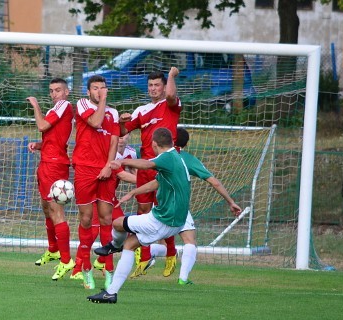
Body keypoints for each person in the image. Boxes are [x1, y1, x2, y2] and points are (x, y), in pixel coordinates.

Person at [88, 127, 191, 304]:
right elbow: (156, 183)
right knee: (130, 244)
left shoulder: (166, 157)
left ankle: (114, 245)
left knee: (118, 223)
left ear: (154, 144)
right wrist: (133, 192)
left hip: (163, 219)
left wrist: (122, 162)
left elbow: (147, 164)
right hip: (175, 221)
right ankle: (111, 293)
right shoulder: (177, 159)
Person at [153, 127, 243, 284]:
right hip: (178, 207)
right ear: (186, 144)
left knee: (155, 240)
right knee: (190, 242)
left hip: (160, 205)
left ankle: (145, 251)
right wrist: (231, 201)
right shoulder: (186, 159)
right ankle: (183, 279)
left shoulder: (162, 157)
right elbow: (213, 181)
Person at [119, 67, 181, 278]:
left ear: (164, 87)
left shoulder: (171, 105)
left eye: (157, 85)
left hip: (165, 165)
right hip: (145, 165)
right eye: (151, 86)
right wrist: (120, 121)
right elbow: (123, 131)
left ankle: (171, 253)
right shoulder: (141, 110)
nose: (154, 89)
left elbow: (172, 95)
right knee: (143, 211)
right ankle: (144, 257)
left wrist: (172, 75)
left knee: (165, 210)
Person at [72, 75, 121, 289]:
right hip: (84, 168)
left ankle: (109, 270)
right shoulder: (82, 104)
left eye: (102, 88)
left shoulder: (114, 113)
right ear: (88, 91)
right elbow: (95, 122)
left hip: (105, 169)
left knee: (106, 219)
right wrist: (102, 100)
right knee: (86, 219)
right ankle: (85, 268)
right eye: (95, 88)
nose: (99, 90)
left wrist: (109, 165)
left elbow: (114, 141)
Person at [26, 78, 75, 280]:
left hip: (55, 165)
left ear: (66, 92)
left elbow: (42, 125)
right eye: (52, 91)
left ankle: (66, 260)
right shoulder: (58, 108)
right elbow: (53, 135)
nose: (54, 94)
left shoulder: (64, 105)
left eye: (58, 90)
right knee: (46, 207)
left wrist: (36, 106)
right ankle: (53, 249)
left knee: (56, 210)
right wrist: (40, 145)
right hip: (48, 160)